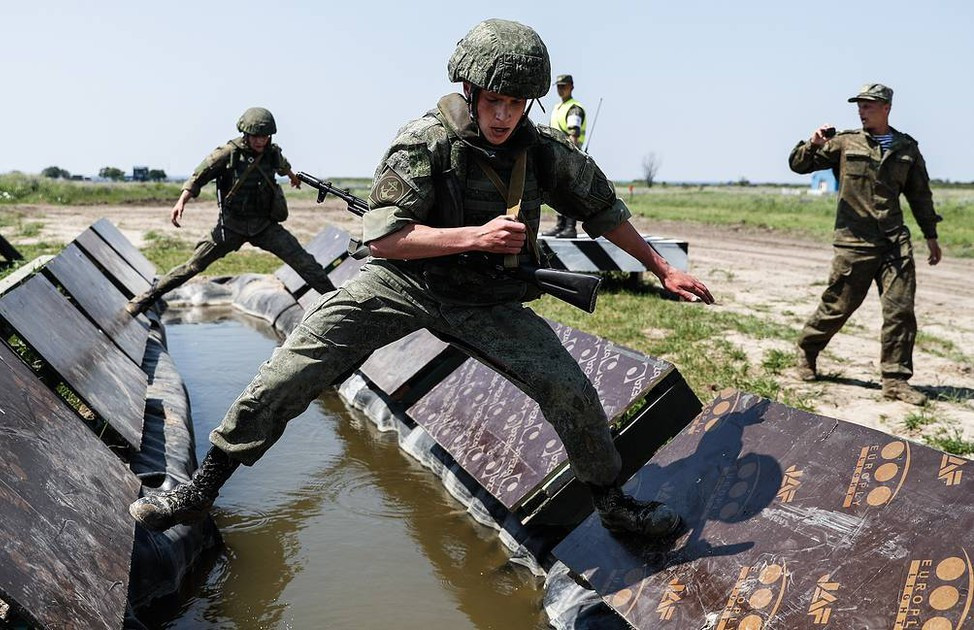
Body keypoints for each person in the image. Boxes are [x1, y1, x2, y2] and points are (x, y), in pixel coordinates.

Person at [130, 19, 713, 540]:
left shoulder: (545, 152)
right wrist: (474, 237)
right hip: (404, 282)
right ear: (471, 92)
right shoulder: (424, 140)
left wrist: (663, 269)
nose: (503, 115)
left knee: (568, 388)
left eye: (515, 102)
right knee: (295, 364)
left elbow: (604, 210)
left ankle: (612, 506)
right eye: (493, 101)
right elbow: (382, 240)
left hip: (488, 300)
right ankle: (200, 490)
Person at [789, 83, 942, 405]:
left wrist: (931, 236)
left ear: (885, 107)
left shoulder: (906, 147)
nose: (861, 110)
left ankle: (895, 380)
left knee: (900, 311)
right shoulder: (844, 143)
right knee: (837, 307)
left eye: (868, 105)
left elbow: (919, 195)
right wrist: (812, 143)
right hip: (854, 243)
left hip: (894, 243)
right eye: (859, 105)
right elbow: (800, 165)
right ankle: (807, 350)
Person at [125, 107, 334, 315]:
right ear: (246, 134)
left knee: (305, 263)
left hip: (264, 226)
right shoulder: (227, 154)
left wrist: (292, 177)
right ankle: (143, 300)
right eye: (256, 136)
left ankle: (341, 305)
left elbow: (284, 166)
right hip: (231, 227)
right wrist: (181, 202)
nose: (261, 141)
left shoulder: (272, 153)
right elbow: (198, 177)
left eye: (265, 136)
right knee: (193, 266)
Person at [543, 74, 586, 239]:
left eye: (564, 86)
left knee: (569, 192)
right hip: (555, 154)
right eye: (559, 86)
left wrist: (570, 156)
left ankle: (570, 227)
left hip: (569, 155)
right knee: (557, 191)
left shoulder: (574, 108)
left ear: (571, 87)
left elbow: (573, 134)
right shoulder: (558, 107)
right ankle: (560, 224)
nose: (561, 89)